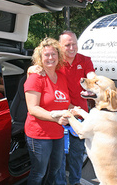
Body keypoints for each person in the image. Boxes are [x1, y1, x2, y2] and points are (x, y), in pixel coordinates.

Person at [28, 31, 96, 185]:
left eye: (74, 44)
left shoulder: (84, 60)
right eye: (67, 45)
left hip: (77, 112)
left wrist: (98, 83)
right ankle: (60, 183)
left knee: (77, 153)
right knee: (59, 159)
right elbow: (36, 71)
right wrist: (30, 70)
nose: (72, 47)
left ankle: (75, 181)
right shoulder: (55, 62)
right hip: (59, 115)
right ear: (60, 47)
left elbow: (92, 76)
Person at [24, 37, 71, 185]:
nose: (50, 58)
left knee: (55, 168)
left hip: (57, 133)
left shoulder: (62, 77)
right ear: (40, 57)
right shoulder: (35, 77)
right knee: (39, 172)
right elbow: (32, 108)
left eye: (53, 54)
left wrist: (75, 111)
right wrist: (55, 117)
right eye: (46, 55)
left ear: (58, 56)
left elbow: (64, 102)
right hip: (39, 134)